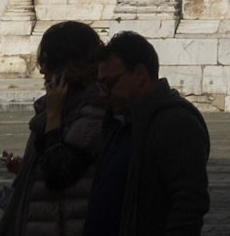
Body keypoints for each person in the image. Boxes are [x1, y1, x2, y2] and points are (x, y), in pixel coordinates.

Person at [85, 30, 210, 236]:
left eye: (108, 84)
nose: (102, 93)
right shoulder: (120, 122)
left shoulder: (176, 123)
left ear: (140, 75)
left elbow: (188, 203)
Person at [0, 21, 107, 234]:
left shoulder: (92, 110)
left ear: (69, 65)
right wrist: (27, 167)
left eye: (49, 62)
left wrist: (53, 116)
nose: (43, 71)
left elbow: (59, 172)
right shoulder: (61, 105)